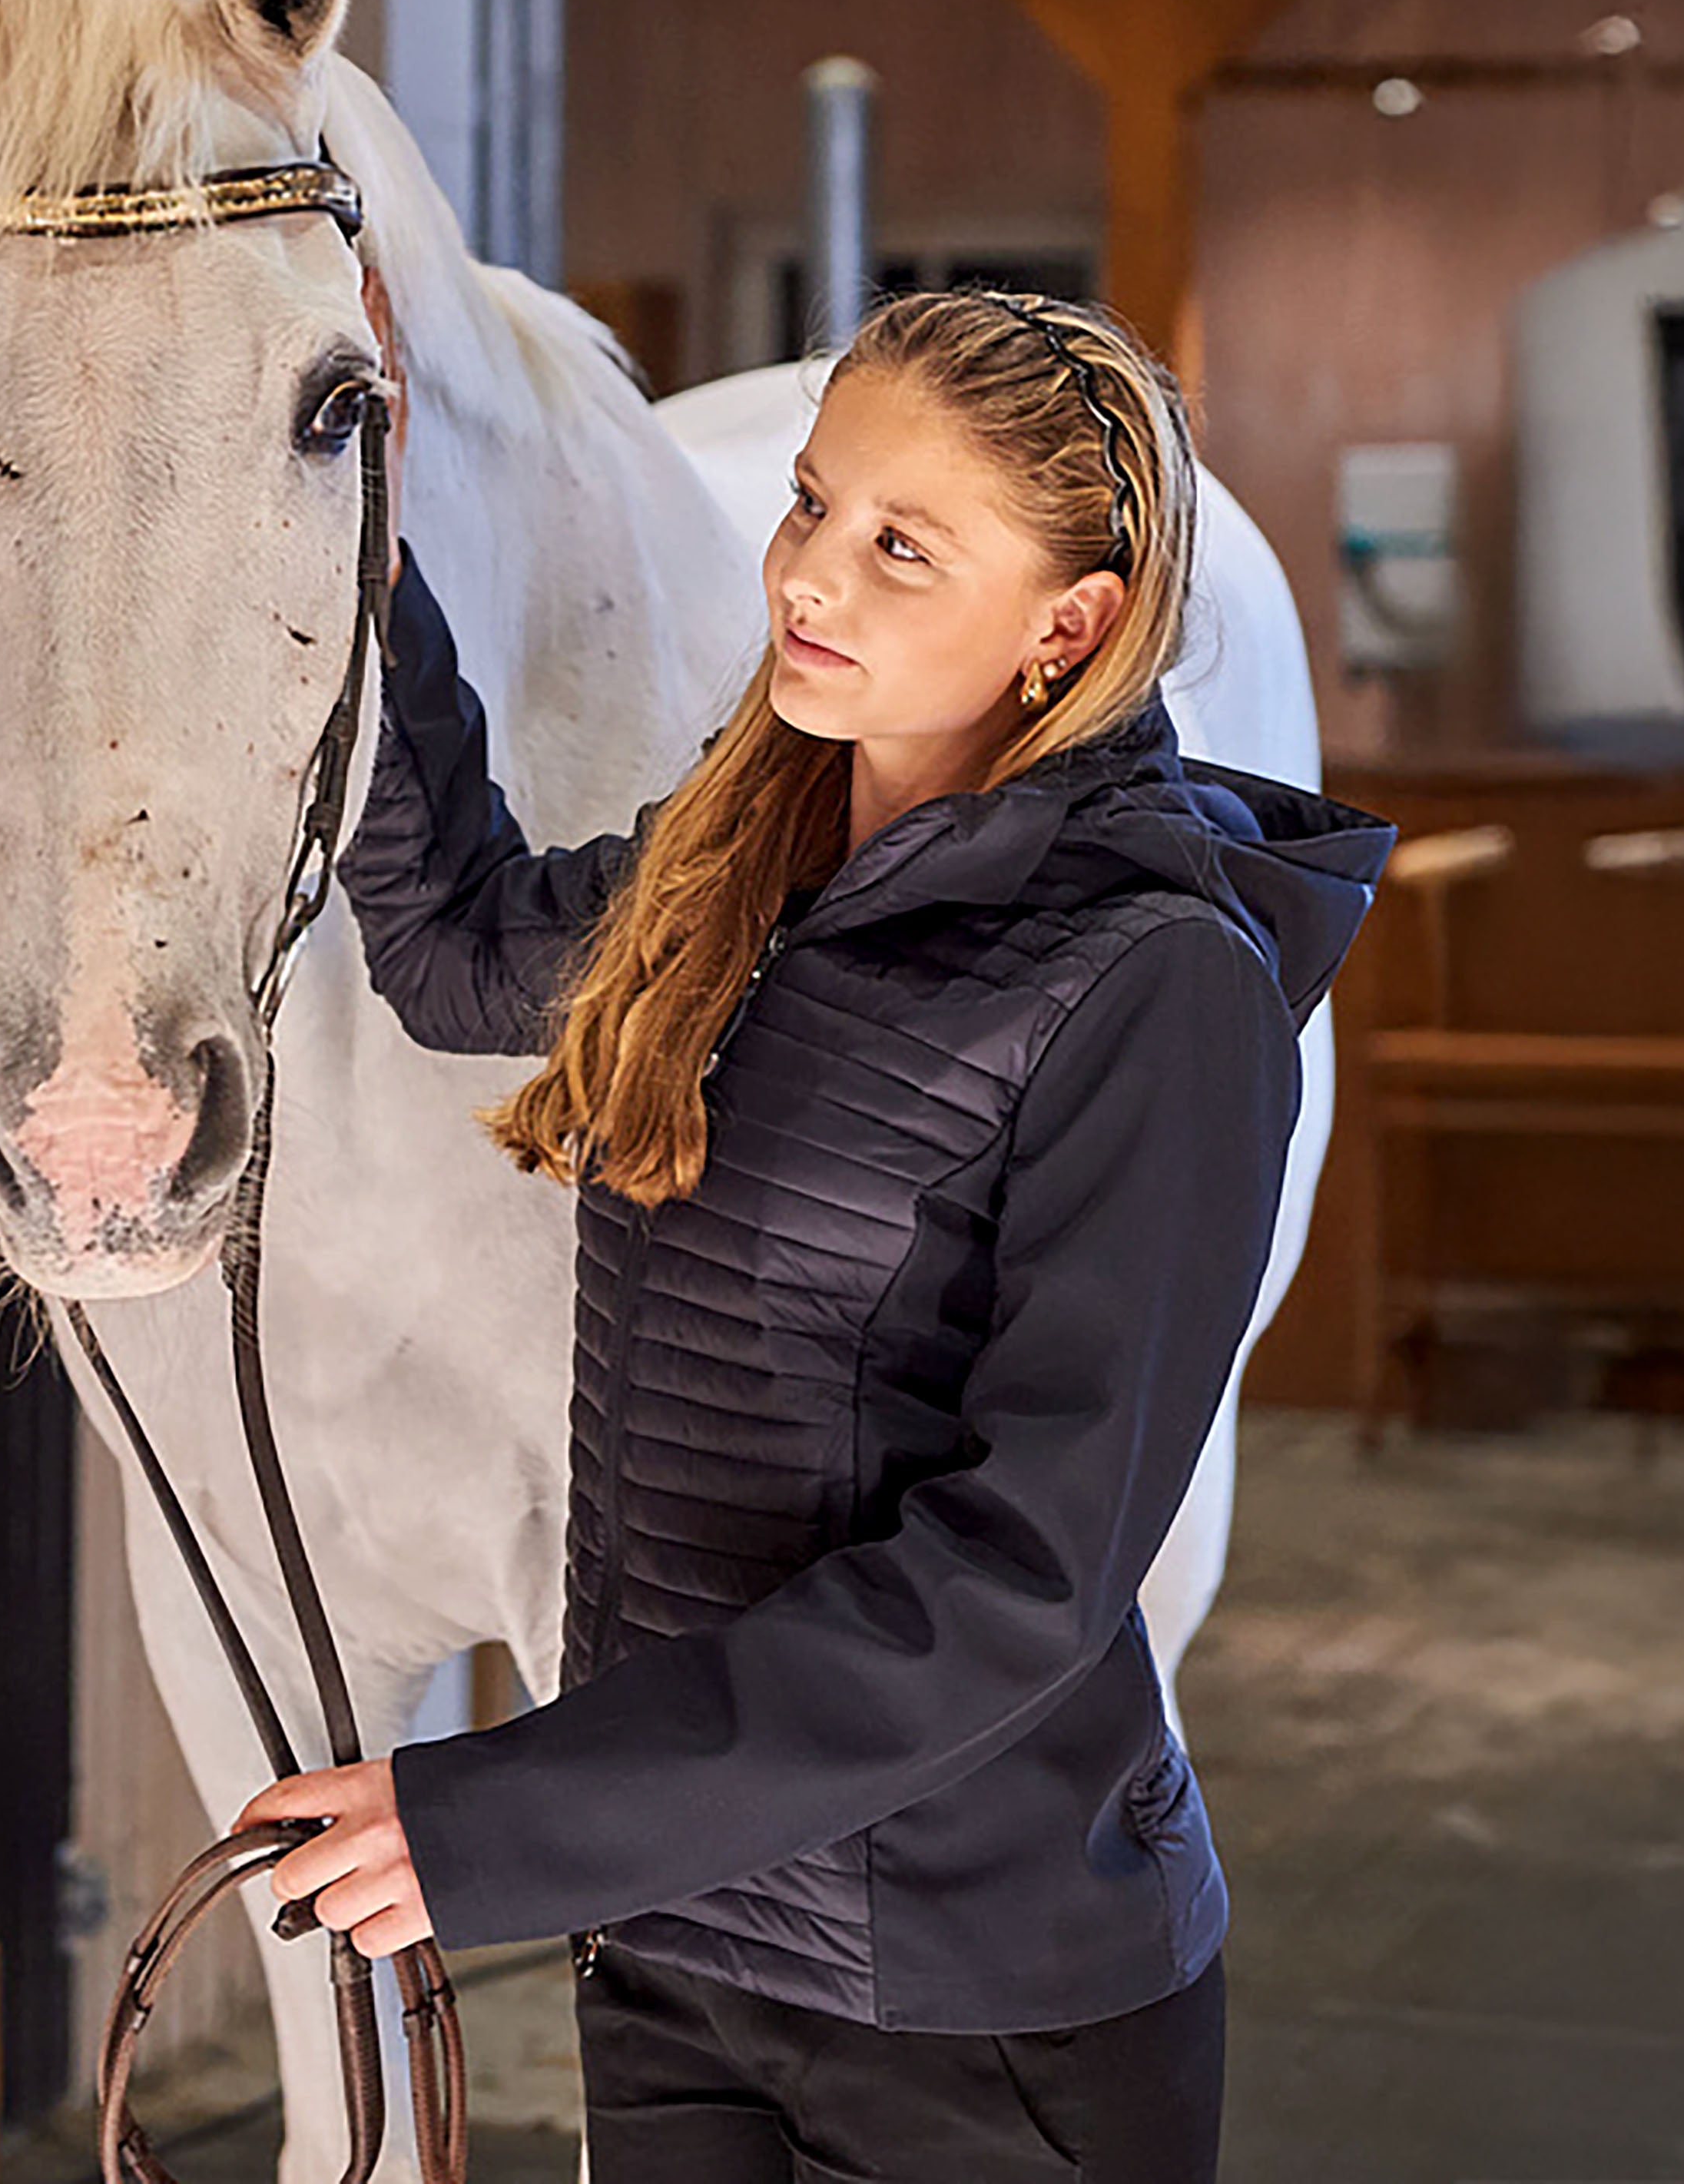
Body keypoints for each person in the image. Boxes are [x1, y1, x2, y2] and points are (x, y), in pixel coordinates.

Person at [238, 289, 1393, 2181]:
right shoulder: (740, 864)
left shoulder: (1157, 987)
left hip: (981, 2015)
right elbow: (448, 944)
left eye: (898, 545)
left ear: (1069, 626)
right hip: (686, 1959)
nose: (809, 575)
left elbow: (1016, 1579)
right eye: (811, 504)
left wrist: (512, 1815)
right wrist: (345, 488)